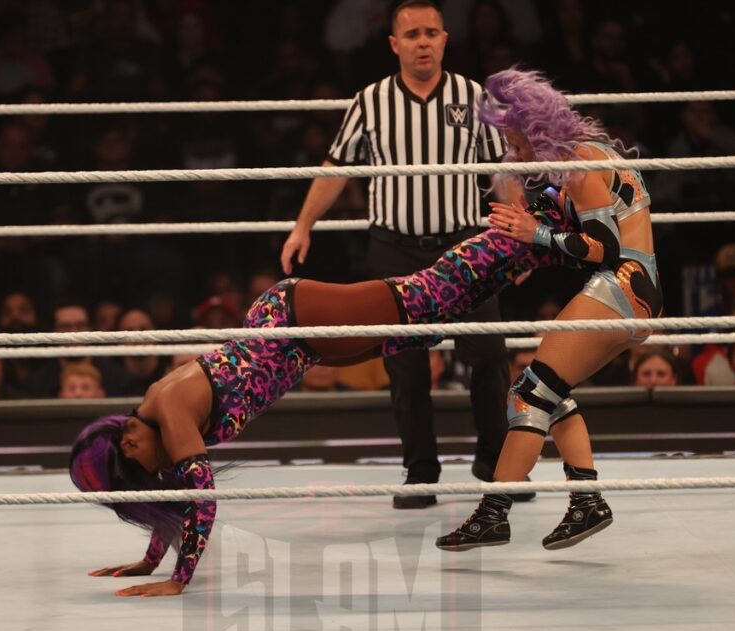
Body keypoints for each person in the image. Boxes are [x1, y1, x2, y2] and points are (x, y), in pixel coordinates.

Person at [70, 197, 576, 597]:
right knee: (440, 313)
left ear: (130, 446)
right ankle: (549, 243)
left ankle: (544, 221)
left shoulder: (170, 411)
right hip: (300, 345)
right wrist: (150, 558)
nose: (149, 477)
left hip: (293, 324)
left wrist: (178, 578)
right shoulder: (156, 420)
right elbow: (174, 490)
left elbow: (200, 499)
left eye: (136, 474)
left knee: (429, 293)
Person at [279, 0, 530, 509]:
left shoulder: (472, 95)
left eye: (430, 32)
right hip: (395, 248)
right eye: (411, 33)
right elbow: (337, 166)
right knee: (406, 368)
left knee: (487, 357)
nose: (422, 42)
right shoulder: (369, 102)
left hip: (465, 248)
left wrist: (520, 238)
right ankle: (420, 473)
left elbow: (500, 171)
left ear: (444, 40)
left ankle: (495, 464)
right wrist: (303, 225)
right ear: (393, 44)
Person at [437, 67, 663, 553]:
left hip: (621, 285)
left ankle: (492, 514)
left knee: (525, 394)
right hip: (632, 291)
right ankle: (586, 500)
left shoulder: (579, 160)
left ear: (533, 128)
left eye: (517, 142)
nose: (515, 153)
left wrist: (532, 234)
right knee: (552, 392)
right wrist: (530, 235)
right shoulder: (587, 156)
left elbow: (603, 245)